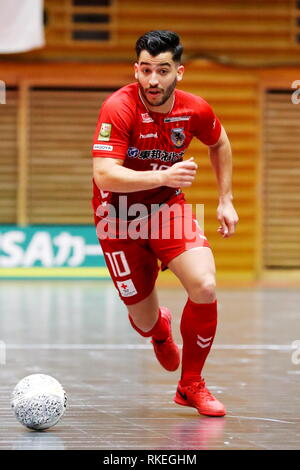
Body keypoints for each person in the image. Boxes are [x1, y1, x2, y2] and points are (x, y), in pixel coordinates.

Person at [92, 30, 239, 417]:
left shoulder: (195, 110)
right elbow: (104, 175)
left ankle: (191, 385)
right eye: (145, 70)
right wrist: (162, 176)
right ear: (135, 70)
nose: (152, 80)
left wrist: (226, 200)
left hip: (166, 210)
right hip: (118, 219)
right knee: (142, 321)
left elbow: (219, 143)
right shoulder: (118, 107)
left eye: (162, 70)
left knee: (204, 285)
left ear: (180, 71)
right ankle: (159, 329)